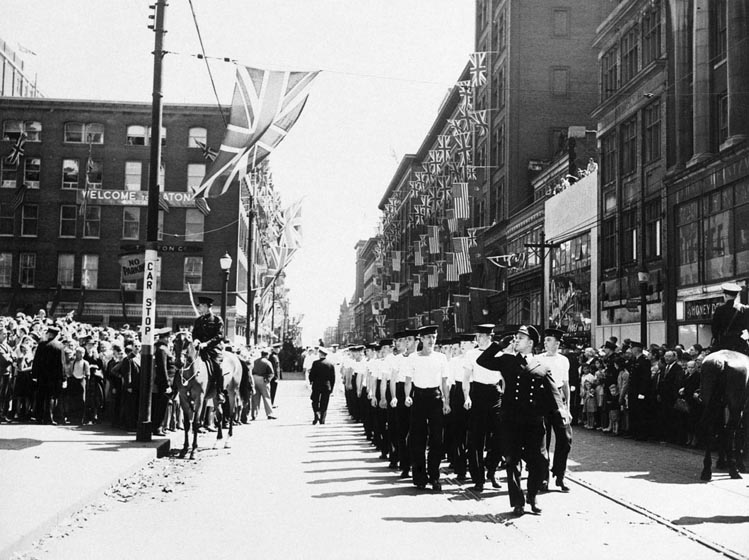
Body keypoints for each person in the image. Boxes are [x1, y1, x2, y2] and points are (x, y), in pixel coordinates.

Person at [476, 325, 568, 516]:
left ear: (531, 343)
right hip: (511, 419)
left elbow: (553, 392)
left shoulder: (541, 365)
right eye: (515, 338)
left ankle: (532, 496)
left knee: (540, 461)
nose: (516, 340)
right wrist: (498, 346)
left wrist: (561, 411)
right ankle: (518, 501)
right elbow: (482, 360)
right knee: (512, 461)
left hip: (534, 420)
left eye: (520, 338)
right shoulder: (507, 360)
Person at [404, 325, 451, 491]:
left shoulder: (441, 358)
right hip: (419, 399)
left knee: (437, 440)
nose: (432, 340)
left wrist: (446, 402)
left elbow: (445, 382)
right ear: (421, 339)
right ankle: (419, 476)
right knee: (418, 439)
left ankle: (434, 476)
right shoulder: (413, 358)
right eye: (428, 337)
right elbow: (408, 380)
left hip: (435, 398)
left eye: (434, 337)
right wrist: (407, 396)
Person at [463, 324, 503, 492]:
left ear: (489, 337)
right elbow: (466, 378)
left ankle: (492, 470)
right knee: (477, 439)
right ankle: (478, 477)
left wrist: (505, 396)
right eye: (477, 336)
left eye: (481, 336)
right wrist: (467, 397)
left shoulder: (499, 354)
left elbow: (504, 377)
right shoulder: (471, 354)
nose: (477, 339)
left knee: (500, 436)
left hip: (495, 394)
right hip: (478, 393)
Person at [539, 328, 572, 493]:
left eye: (549, 340)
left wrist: (568, 409)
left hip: (559, 400)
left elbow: (566, 385)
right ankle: (543, 477)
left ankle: (559, 475)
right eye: (545, 340)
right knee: (543, 442)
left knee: (565, 440)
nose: (545, 342)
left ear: (557, 343)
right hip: (543, 399)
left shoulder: (564, 360)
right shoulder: (538, 359)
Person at [192, 296, 225, 403]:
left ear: (206, 306)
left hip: (213, 349)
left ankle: (220, 392)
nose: (199, 308)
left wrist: (207, 344)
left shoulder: (217, 320)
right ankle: (175, 389)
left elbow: (219, 336)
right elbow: (194, 334)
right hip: (199, 349)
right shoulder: (198, 320)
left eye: (200, 306)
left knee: (217, 367)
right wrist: (196, 340)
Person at [32, 327, 65, 425]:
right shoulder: (59, 346)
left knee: (40, 396)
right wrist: (63, 377)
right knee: (51, 397)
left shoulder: (42, 345)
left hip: (42, 376)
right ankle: (49, 418)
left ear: (50, 334)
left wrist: (34, 374)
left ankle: (39, 417)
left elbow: (36, 361)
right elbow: (61, 364)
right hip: (53, 377)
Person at [711, 282, 749, 354]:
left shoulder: (720, 309)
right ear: (736, 296)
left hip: (722, 345)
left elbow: (714, 330)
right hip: (739, 345)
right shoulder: (743, 310)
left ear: (725, 295)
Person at [152, 327, 174, 436]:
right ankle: (158, 427)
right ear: (165, 338)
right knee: (161, 405)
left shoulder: (162, 348)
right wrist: (167, 384)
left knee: (162, 405)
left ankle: (159, 426)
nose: (169, 339)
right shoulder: (162, 349)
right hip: (163, 382)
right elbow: (163, 368)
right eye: (168, 337)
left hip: (165, 381)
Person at [628, 341, 652, 441]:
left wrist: (642, 392)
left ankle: (642, 433)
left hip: (639, 391)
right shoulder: (635, 360)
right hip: (633, 390)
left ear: (636, 349)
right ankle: (634, 432)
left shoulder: (644, 361)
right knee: (634, 411)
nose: (631, 350)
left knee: (640, 412)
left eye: (632, 348)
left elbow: (645, 378)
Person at [309, 346, 336, 425]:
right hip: (326, 386)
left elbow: (311, 375)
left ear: (320, 354)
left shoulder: (315, 363)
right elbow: (333, 378)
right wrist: (331, 388)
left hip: (317, 385)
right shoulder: (330, 364)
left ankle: (316, 414)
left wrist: (311, 381)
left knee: (315, 401)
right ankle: (322, 419)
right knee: (324, 402)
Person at [252, 349, 276, 420]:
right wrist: (268, 380)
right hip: (263, 379)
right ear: (267, 355)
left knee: (255, 397)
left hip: (255, 378)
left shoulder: (255, 361)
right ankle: (269, 413)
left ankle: (254, 414)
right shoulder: (267, 362)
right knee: (266, 397)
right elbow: (271, 373)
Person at [269, 342, 282, 406]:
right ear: (274, 349)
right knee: (272, 390)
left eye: (279, 348)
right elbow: (274, 368)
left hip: (273, 376)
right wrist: (276, 377)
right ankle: (271, 403)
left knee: (273, 390)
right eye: (277, 349)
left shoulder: (274, 356)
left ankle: (272, 403)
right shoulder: (274, 357)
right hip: (273, 377)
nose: (278, 350)